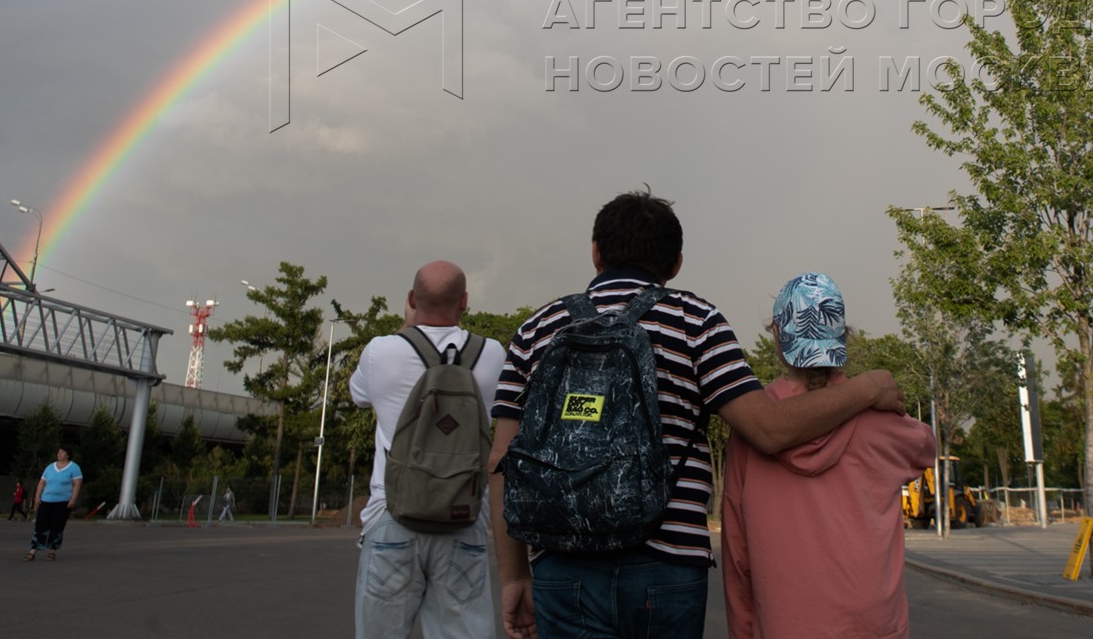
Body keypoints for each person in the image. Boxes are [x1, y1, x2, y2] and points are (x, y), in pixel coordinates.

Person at [488, 188, 906, 639]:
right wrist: (868, 387)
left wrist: (514, 577)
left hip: (561, 564)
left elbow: (502, 459)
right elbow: (769, 429)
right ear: (675, 264)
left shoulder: (537, 329)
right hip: (665, 566)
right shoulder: (695, 320)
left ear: (596, 254)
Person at [721, 273, 936, 639]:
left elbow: (737, 554)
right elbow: (925, 448)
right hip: (874, 626)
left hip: (784, 626)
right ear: (843, 335)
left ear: (777, 335)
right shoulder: (883, 423)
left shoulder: (752, 431)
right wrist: (866, 394)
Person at [350, 260, 507, 639]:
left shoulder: (380, 351)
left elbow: (358, 397)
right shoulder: (493, 355)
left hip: (392, 516)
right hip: (464, 517)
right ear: (465, 301)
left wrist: (407, 326)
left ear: (411, 298)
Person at [26, 446, 83, 560]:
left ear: (68, 455)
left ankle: (52, 550)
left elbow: (77, 484)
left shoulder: (74, 467)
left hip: (62, 502)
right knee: (40, 524)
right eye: (58, 452)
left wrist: (73, 499)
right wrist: (37, 496)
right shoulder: (50, 467)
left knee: (57, 526)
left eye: (62, 452)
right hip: (46, 500)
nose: (59, 454)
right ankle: (33, 550)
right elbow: (42, 482)